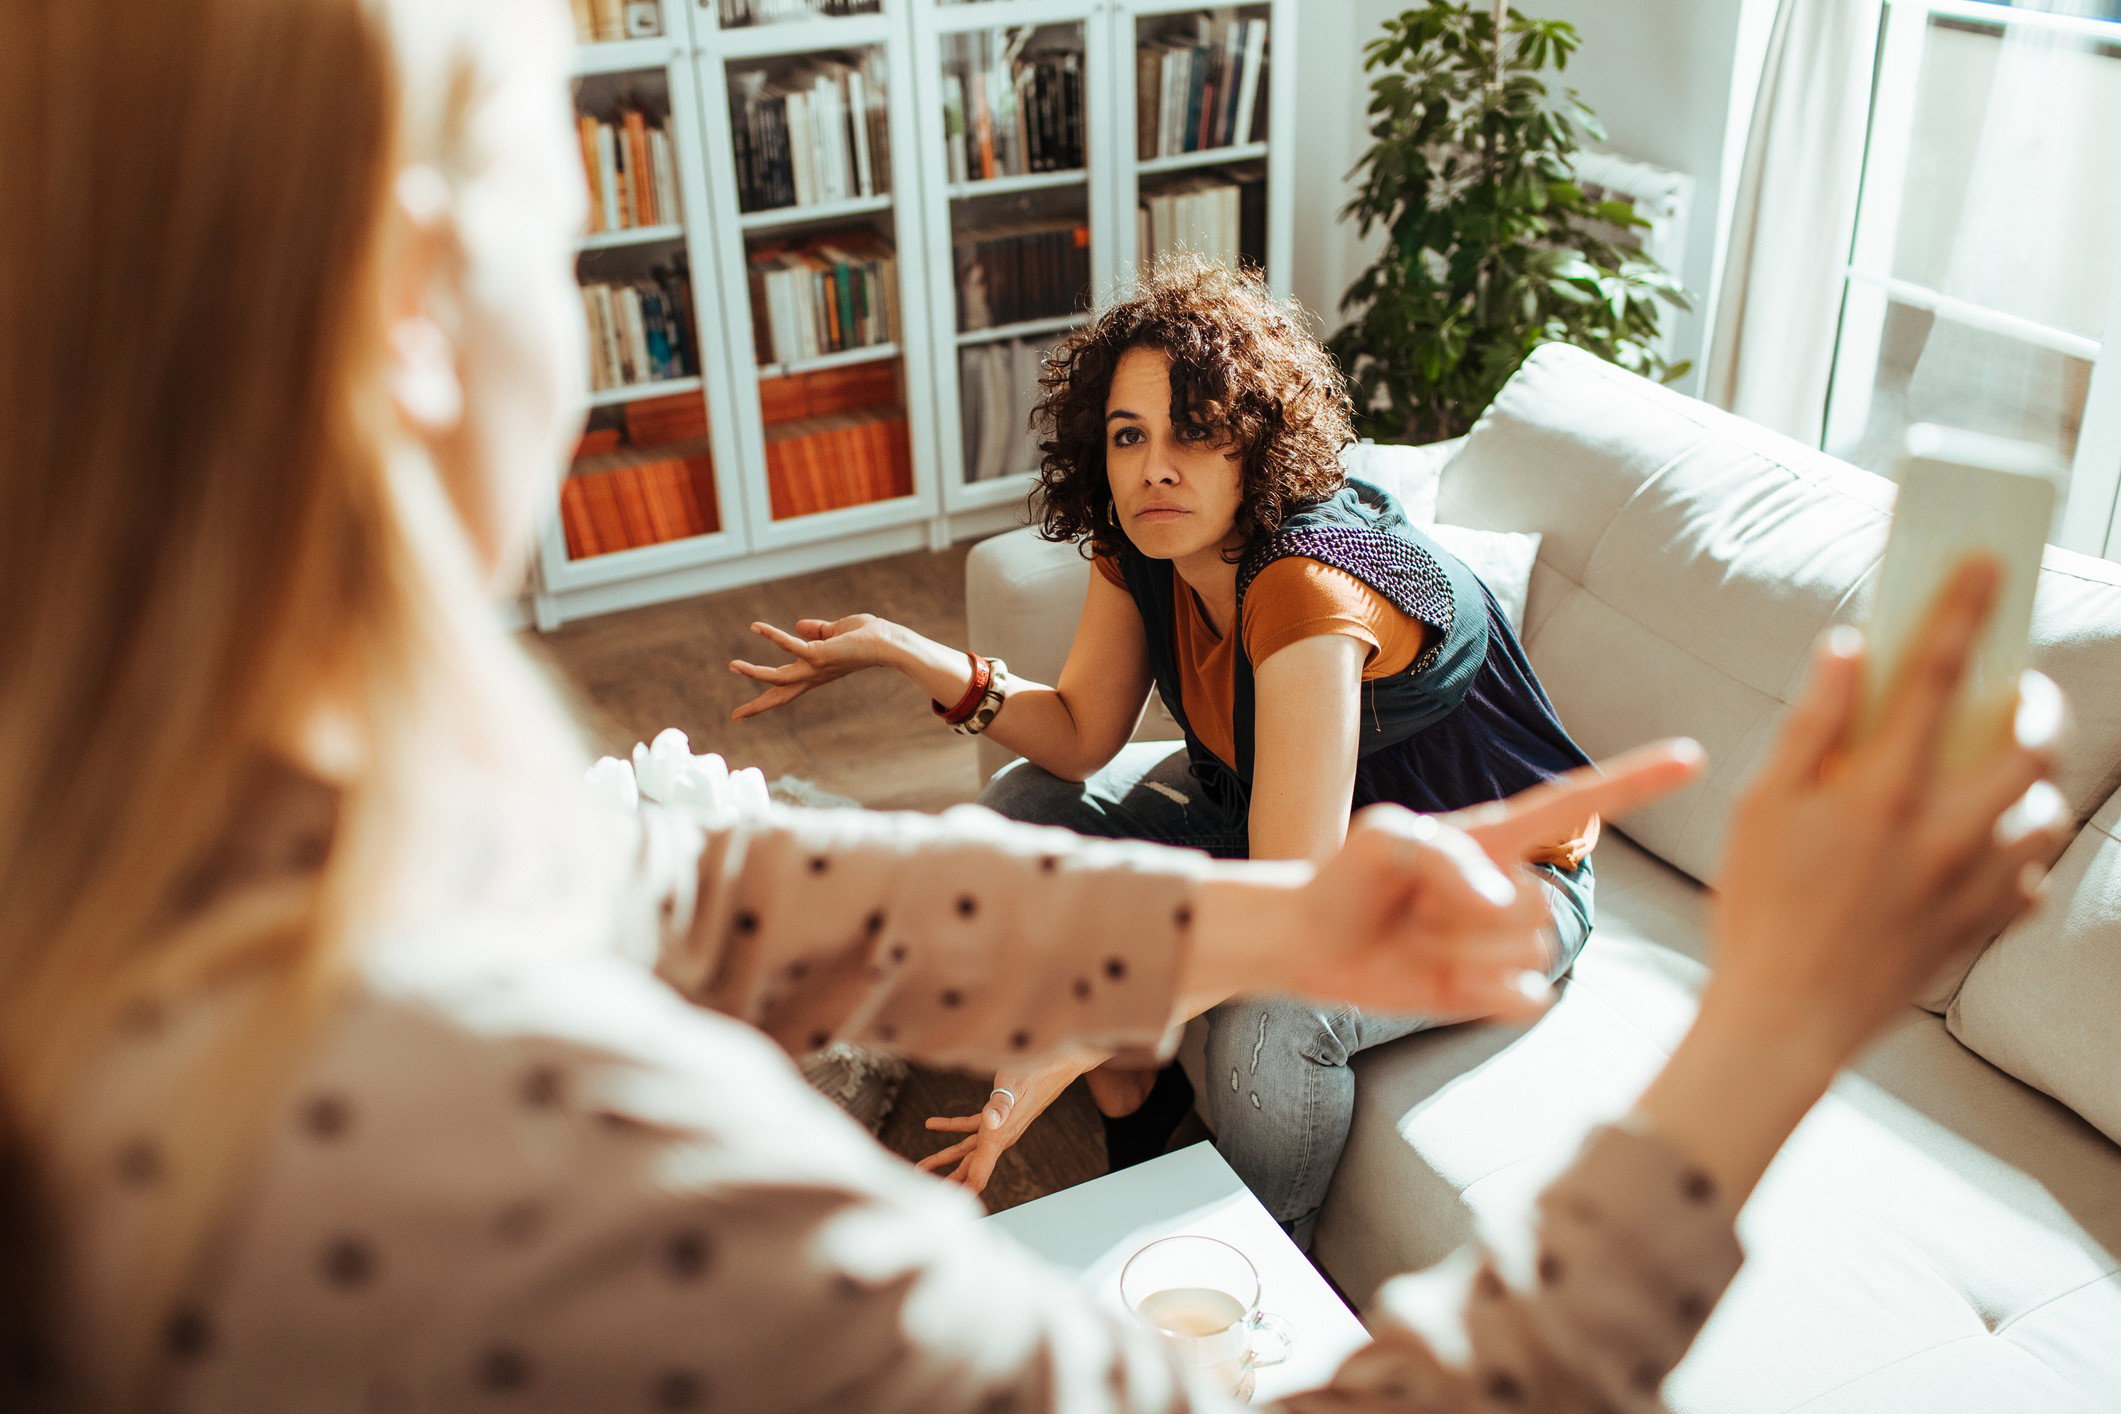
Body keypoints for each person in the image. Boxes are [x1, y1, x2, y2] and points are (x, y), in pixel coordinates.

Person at [0, 1, 2066, 1412]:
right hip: (1307, 858)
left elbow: (718, 879)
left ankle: (1193, 1155)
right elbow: (1033, 776)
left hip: (1458, 865)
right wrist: (1775, 1022)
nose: (1154, 472)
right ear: (417, 307)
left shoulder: (218, 857)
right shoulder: (549, 1135)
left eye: (1188, 439)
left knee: (1217, 985)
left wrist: (1216, 951)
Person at [733, 260, 1602, 1240]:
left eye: (1195, 431)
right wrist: (902, 650)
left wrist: (1061, 1044)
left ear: (1256, 441)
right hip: (1284, 810)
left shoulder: (1308, 587)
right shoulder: (1142, 540)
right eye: (1128, 435)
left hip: (1497, 873)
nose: (1155, 467)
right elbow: (1076, 737)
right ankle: (1135, 1108)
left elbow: (1286, 907)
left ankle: (1264, 1259)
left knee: (1275, 1015)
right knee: (1023, 813)